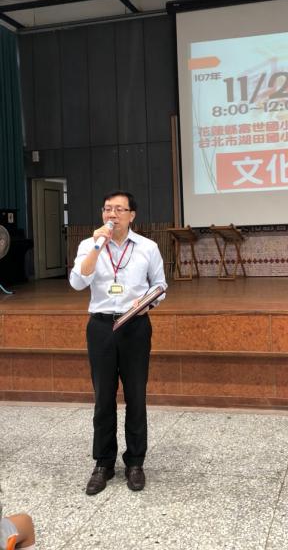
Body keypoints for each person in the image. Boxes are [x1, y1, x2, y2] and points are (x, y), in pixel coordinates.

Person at [69, 191, 167, 495]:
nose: (112, 215)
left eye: (119, 210)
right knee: (103, 397)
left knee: (136, 396)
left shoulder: (147, 247)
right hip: (101, 327)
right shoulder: (89, 245)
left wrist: (147, 302)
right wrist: (96, 248)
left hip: (135, 326)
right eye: (107, 209)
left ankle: (135, 462)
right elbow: (77, 282)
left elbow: (160, 286)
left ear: (132, 215)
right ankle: (104, 463)